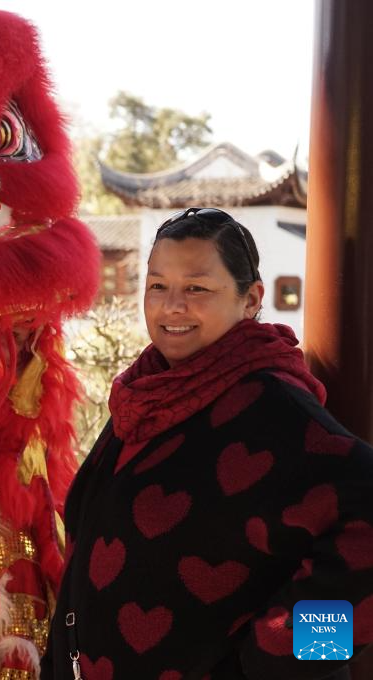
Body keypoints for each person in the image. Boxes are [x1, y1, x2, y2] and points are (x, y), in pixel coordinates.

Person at [40, 208, 373, 679]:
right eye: (158, 285)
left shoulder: (273, 410)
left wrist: (275, 660)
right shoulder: (146, 395)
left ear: (250, 299)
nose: (171, 305)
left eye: (196, 288)